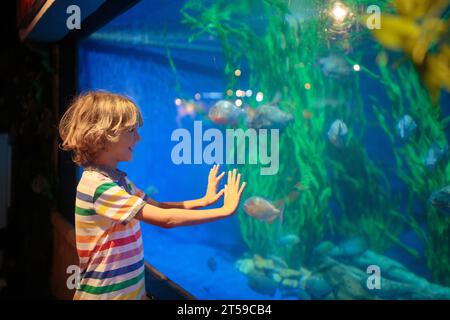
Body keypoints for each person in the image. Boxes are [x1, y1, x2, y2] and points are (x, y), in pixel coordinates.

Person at [58, 91, 246, 300]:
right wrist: (223, 211)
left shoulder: (119, 181)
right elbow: (167, 220)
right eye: (131, 131)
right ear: (102, 136)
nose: (138, 137)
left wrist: (203, 201)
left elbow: (159, 207)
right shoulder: (99, 186)